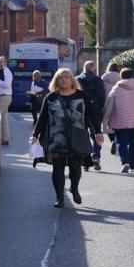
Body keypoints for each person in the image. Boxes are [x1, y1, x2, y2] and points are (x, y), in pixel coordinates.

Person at [33, 69, 102, 208]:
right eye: (60, 78)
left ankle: (74, 188)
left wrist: (98, 132)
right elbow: (42, 118)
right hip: (57, 138)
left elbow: (92, 115)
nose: (63, 80)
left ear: (72, 80)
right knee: (57, 168)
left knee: (75, 167)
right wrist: (35, 135)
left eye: (66, 78)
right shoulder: (51, 97)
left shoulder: (82, 95)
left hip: (77, 137)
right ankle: (59, 197)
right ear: (56, 81)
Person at [103, 68, 134, 174]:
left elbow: (109, 105)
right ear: (132, 76)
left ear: (121, 76)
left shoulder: (116, 88)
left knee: (122, 143)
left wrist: (106, 119)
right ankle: (133, 165)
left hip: (120, 119)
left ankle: (125, 162)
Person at [78, 61, 108, 170]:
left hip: (80, 110)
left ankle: (86, 160)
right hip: (95, 110)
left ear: (84, 68)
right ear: (94, 69)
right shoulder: (98, 80)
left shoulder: (78, 79)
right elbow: (102, 96)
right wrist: (99, 107)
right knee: (96, 133)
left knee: (82, 135)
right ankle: (96, 156)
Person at [101, 61, 123, 157]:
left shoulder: (104, 77)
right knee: (118, 122)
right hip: (118, 100)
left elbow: (100, 89)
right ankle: (117, 140)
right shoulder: (120, 77)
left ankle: (112, 140)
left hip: (106, 100)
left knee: (107, 121)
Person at [0, 56, 13, 145]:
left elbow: (7, 85)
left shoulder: (6, 71)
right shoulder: (2, 71)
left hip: (3, 97)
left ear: (5, 62)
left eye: (1, 62)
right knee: (4, 119)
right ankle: (5, 139)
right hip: (3, 97)